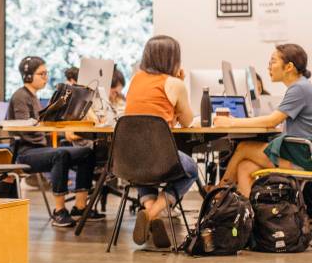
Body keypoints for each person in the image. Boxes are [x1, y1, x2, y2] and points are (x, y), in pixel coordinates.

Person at [124, 35, 199, 248]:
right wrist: (181, 82)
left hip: (129, 157)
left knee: (142, 170)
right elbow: (186, 122)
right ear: (173, 58)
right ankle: (153, 213)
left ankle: (149, 213)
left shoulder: (136, 79)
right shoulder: (174, 83)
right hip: (159, 155)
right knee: (191, 169)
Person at [8, 56, 101, 226]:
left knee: (86, 153)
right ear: (28, 76)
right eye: (42, 74)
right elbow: (24, 128)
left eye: (46, 73)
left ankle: (80, 207)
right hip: (24, 153)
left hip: (39, 149)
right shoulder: (21, 96)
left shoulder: (34, 96)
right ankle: (59, 211)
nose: (46, 77)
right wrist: (47, 122)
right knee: (60, 154)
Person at [214, 44, 312, 196]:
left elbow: (271, 121)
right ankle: (252, 217)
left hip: (302, 159)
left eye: (272, 62)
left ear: (289, 67)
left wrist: (230, 122)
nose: (268, 67)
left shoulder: (299, 88)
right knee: (245, 167)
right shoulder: (302, 86)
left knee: (244, 147)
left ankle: (218, 195)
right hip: (300, 153)